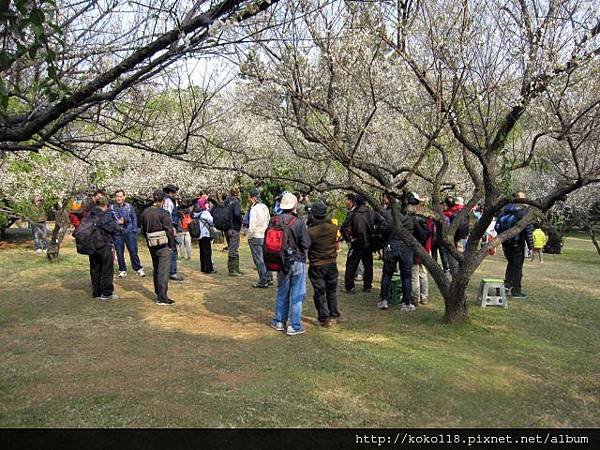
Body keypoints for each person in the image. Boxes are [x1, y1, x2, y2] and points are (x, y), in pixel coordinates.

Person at [270, 192, 311, 336]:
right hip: (297, 261)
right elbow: (306, 243)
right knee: (297, 294)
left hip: (280, 261)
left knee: (282, 291)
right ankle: (294, 325)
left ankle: (279, 321)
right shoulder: (298, 223)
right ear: (294, 206)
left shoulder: (274, 220)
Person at [378, 193, 415, 311]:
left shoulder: (390, 213)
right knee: (406, 276)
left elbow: (383, 229)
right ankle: (406, 302)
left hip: (391, 244)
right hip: (406, 246)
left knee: (387, 274)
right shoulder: (411, 216)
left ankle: (384, 300)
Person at [307, 202, 341, 326]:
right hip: (332, 262)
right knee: (331, 290)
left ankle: (323, 317)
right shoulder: (333, 228)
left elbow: (306, 245)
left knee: (320, 292)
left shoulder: (311, 231)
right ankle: (334, 314)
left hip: (317, 264)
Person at [141, 190, 176, 306]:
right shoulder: (164, 213)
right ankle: (162, 297)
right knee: (163, 271)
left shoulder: (145, 212)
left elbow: (143, 230)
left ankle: (158, 292)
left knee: (156, 268)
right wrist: (171, 245)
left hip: (152, 244)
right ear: (163, 200)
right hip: (163, 244)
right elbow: (169, 230)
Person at [496, 191, 534, 298]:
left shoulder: (504, 211)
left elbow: (497, 227)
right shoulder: (524, 212)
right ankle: (516, 290)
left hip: (506, 243)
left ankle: (507, 285)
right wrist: (531, 247)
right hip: (517, 243)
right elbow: (528, 230)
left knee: (511, 263)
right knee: (517, 267)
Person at [86, 197, 120, 300]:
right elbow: (115, 229)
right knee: (107, 269)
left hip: (92, 246)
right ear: (105, 205)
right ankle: (107, 293)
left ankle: (96, 292)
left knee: (95, 269)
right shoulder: (105, 216)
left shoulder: (89, 216)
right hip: (104, 245)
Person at [340, 194, 374, 293]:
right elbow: (381, 223)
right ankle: (367, 286)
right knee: (368, 265)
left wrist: (349, 240)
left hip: (357, 242)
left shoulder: (354, 214)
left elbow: (343, 228)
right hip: (368, 242)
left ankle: (349, 286)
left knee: (351, 265)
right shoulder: (371, 212)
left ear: (355, 202)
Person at [110, 189, 144, 278]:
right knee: (119, 252)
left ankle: (138, 268)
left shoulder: (129, 206)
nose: (119, 198)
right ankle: (122, 269)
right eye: (117, 196)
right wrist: (116, 223)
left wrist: (134, 230)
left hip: (129, 232)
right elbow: (109, 220)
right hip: (117, 233)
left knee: (133, 251)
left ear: (124, 197)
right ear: (115, 197)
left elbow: (134, 218)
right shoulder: (112, 208)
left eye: (121, 196)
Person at [409, 193, 433, 306]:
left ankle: (415, 299)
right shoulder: (427, 214)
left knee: (414, 274)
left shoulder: (412, 216)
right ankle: (424, 297)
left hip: (415, 248)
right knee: (423, 273)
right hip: (426, 248)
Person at [246, 188, 272, 288]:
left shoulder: (254, 209)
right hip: (264, 235)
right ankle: (269, 278)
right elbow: (268, 220)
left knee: (259, 260)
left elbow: (252, 225)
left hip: (256, 236)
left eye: (248, 196)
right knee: (265, 258)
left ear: (252, 197)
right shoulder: (264, 207)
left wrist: (249, 235)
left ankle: (263, 281)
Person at [162, 184, 183, 281]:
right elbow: (167, 216)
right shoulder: (168, 201)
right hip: (170, 229)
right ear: (171, 192)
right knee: (172, 250)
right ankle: (172, 272)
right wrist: (172, 229)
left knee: (170, 250)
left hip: (169, 228)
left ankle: (169, 271)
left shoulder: (167, 200)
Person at [192, 197, 216, 274]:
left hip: (200, 235)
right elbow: (212, 221)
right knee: (207, 252)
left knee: (202, 252)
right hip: (206, 234)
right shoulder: (205, 213)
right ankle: (208, 268)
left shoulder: (197, 213)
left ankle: (203, 267)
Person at [224, 187, 244, 276]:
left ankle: (236, 268)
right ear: (237, 193)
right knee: (233, 249)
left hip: (226, 228)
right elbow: (236, 213)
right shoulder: (236, 202)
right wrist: (241, 220)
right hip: (234, 228)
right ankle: (232, 270)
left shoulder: (226, 201)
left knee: (232, 247)